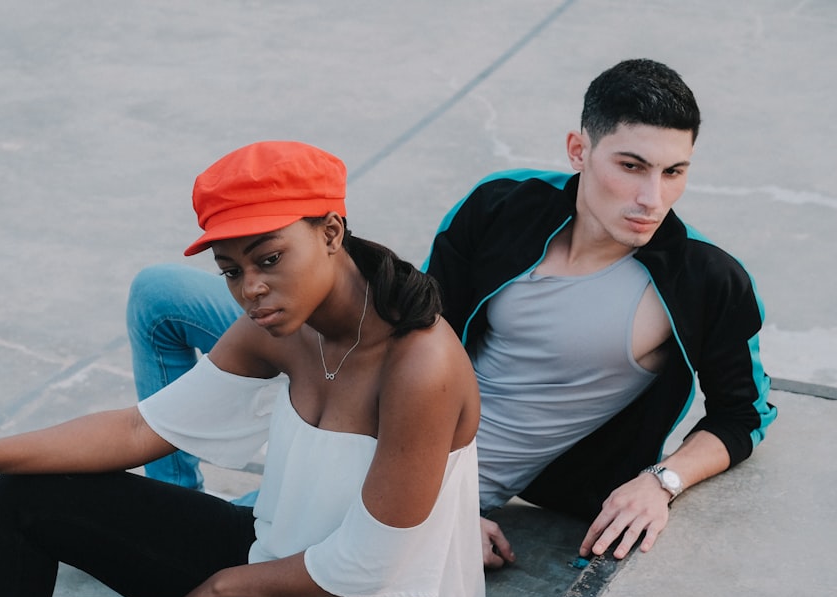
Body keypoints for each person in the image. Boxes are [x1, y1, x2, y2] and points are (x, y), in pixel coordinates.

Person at [126, 59, 777, 570]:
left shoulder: (701, 283)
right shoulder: (500, 206)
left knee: (192, 553)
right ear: (579, 150)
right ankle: (178, 491)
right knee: (159, 293)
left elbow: (744, 410)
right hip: (375, 384)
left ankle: (185, 515)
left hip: (402, 475)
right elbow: (420, 325)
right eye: (630, 166)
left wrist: (661, 480)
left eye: (674, 172)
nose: (650, 198)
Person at [0, 141, 486, 597]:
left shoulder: (419, 364)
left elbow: (369, 567)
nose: (250, 288)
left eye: (269, 259)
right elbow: (138, 429)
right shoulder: (278, 326)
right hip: (273, 551)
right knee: (27, 491)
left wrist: (229, 586)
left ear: (330, 232)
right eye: (231, 270)